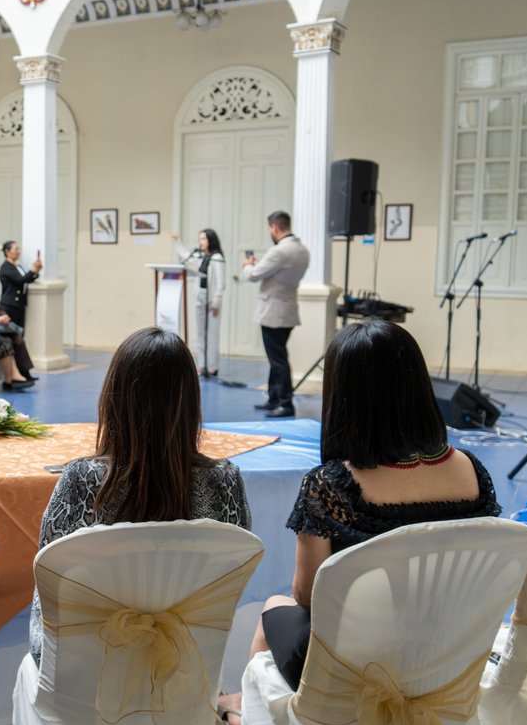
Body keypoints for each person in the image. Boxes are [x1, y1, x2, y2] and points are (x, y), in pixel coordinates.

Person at [246, 319, 501, 697]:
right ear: (418, 386)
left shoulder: (330, 485)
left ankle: (243, 713)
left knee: (275, 606)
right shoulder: (471, 471)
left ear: (344, 395)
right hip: (446, 655)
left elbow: (308, 596)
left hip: (349, 669)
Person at [29, 326, 251, 666]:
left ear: (114, 398)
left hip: (86, 671)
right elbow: (229, 584)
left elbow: (50, 584)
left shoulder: (83, 479)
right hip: (186, 666)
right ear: (191, 402)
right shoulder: (225, 481)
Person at [242, 211, 310, 418]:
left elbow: (254, 276)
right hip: (288, 311)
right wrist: (260, 264)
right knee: (277, 357)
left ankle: (286, 403)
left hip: (272, 312)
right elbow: (279, 273)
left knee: (278, 359)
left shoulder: (278, 251)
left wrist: (248, 266)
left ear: (274, 227)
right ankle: (273, 398)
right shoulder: (302, 250)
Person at [172, 228, 227, 376]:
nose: (201, 242)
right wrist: (177, 241)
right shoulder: (200, 256)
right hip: (200, 297)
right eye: (200, 239)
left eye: (203, 239)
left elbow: (221, 284)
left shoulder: (217, 258)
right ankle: (202, 365)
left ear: (211, 240)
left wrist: (216, 303)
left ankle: (212, 366)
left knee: (212, 334)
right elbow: (186, 257)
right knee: (200, 333)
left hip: (212, 300)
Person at [0, 240, 42, 329]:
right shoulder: (6, 267)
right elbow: (20, 280)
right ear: (7, 251)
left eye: (18, 249)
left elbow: (27, 279)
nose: (18, 252)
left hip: (19, 304)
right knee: (11, 330)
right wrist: (32, 270)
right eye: (16, 249)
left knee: (20, 330)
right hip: (10, 304)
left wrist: (36, 272)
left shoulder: (17, 266)